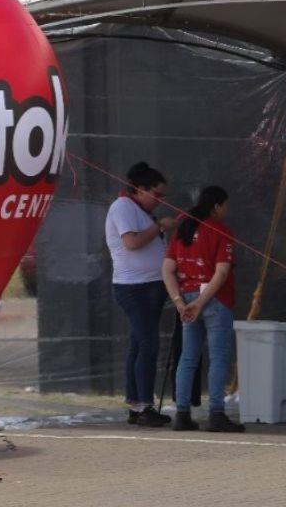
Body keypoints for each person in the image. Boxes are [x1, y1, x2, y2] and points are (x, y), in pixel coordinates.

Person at [161, 185, 243, 433]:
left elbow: (166, 269)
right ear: (216, 206)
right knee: (218, 357)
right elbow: (222, 272)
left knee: (188, 357)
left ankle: (182, 414)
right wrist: (201, 302)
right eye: (225, 205)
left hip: (187, 298)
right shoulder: (221, 231)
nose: (226, 210)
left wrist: (180, 302)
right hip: (214, 301)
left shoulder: (184, 230)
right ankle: (216, 413)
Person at [106, 161, 178, 427]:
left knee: (138, 344)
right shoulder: (123, 207)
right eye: (156, 195)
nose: (159, 200)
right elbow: (132, 242)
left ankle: (136, 404)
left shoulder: (139, 210)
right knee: (148, 345)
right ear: (140, 189)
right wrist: (159, 226)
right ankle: (145, 404)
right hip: (134, 288)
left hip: (151, 285)